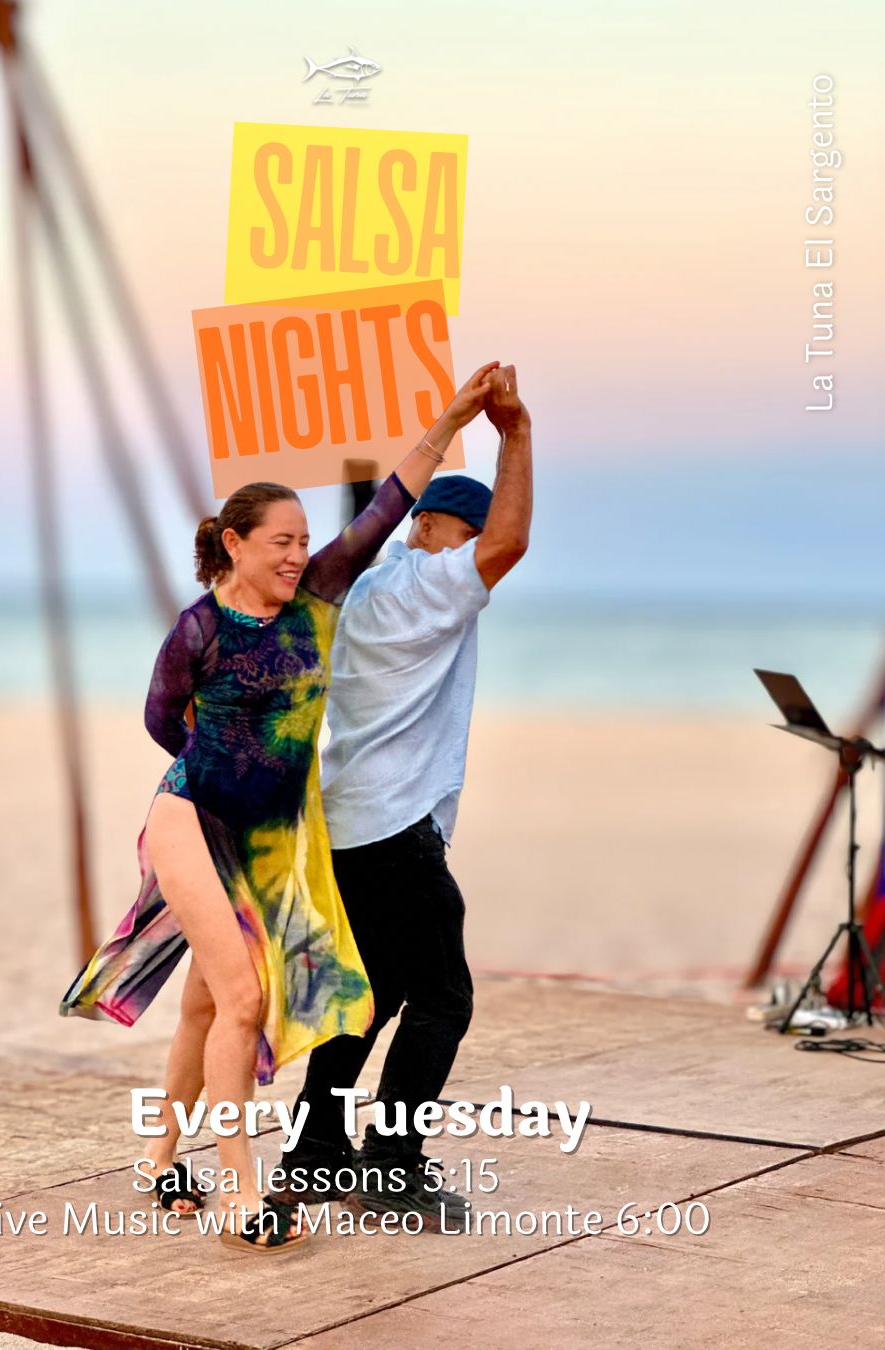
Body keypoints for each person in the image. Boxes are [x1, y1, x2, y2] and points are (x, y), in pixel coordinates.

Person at [58, 361, 501, 1252]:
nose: (298, 555)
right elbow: (161, 721)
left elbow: (388, 505)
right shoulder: (198, 630)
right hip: (193, 820)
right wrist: (227, 772)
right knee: (245, 998)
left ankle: (158, 1161)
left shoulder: (320, 597)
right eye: (280, 542)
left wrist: (454, 417)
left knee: (203, 1007)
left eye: (303, 540)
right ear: (234, 544)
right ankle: (240, 1196)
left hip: (273, 841)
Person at [283, 364, 533, 1229]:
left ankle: (314, 1153)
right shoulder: (429, 587)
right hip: (394, 827)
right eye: (467, 535)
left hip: (346, 820)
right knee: (442, 999)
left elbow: (374, 511)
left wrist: (405, 444)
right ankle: (391, 1167)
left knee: (369, 992)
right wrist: (514, 432)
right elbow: (509, 542)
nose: (477, 554)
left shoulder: (362, 585)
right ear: (431, 527)